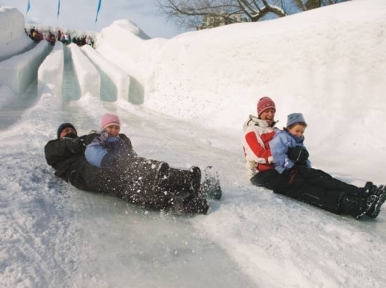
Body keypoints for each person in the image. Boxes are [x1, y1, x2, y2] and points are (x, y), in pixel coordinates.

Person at [242, 97, 386, 219]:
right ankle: (352, 204)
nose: (270, 114)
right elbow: (258, 154)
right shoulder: (251, 131)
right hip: (263, 173)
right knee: (301, 186)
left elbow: (292, 144)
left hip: (284, 167)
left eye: (272, 111)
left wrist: (300, 156)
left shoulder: (276, 131)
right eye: (266, 111)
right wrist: (287, 155)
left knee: (318, 176)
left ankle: (361, 194)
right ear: (259, 112)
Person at [44, 118, 209, 215]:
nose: (68, 131)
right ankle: (177, 201)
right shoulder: (54, 147)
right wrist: (80, 141)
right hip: (82, 173)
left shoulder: (87, 145)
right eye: (65, 131)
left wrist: (117, 139)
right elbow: (63, 147)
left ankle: (186, 180)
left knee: (126, 165)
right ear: (59, 136)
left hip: (95, 164)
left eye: (71, 129)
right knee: (123, 182)